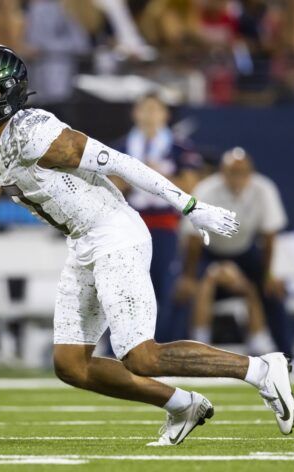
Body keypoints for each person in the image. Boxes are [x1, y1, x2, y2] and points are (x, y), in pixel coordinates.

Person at [0, 44, 294, 446]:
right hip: (82, 242)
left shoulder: (37, 133)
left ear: (9, 91)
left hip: (116, 233)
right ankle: (182, 405)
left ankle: (261, 368)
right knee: (70, 365)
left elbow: (120, 161)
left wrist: (188, 205)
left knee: (141, 355)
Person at [177, 147, 294, 374]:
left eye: (242, 173)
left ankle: (289, 356)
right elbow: (192, 239)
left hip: (245, 251)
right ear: (222, 172)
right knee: (183, 292)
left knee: (272, 293)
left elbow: (269, 237)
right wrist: (189, 276)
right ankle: (183, 355)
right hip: (209, 250)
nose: (237, 178)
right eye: (232, 172)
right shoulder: (206, 190)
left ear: (251, 173)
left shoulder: (264, 189)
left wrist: (268, 275)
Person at [112, 93, 200, 342]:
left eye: (155, 110)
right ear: (135, 114)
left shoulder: (179, 147)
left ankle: (162, 345)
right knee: (125, 287)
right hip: (129, 225)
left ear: (165, 115)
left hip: (165, 226)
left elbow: (190, 186)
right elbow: (110, 186)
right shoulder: (121, 148)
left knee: (163, 287)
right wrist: (135, 174)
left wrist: (155, 175)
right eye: (145, 110)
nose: (150, 116)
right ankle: (121, 346)